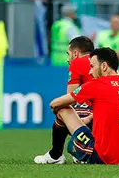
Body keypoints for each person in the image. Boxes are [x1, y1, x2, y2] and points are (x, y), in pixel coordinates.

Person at [48, 47, 119, 165]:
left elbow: (54, 104)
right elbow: (115, 109)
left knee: (63, 110)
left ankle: (55, 155)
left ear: (104, 66)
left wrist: (58, 112)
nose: (90, 72)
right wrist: (90, 118)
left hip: (104, 157)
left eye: (92, 66)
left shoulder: (95, 85)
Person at [34, 36, 94, 164]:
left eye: (68, 54)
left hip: (92, 116)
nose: (68, 59)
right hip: (111, 117)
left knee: (63, 110)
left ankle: (56, 155)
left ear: (75, 54)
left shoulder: (77, 63)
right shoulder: (102, 62)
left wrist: (56, 105)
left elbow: (71, 98)